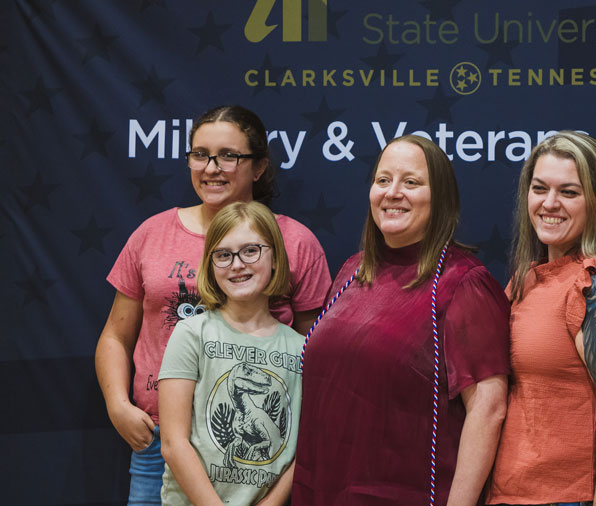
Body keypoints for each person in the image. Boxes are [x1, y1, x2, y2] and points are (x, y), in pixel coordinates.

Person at [95, 105, 331, 504]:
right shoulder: (151, 234)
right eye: (200, 154)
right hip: (159, 439)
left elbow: (314, 353)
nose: (211, 167)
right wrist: (118, 404)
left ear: (258, 167)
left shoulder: (295, 242)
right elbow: (116, 334)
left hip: (259, 461)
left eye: (228, 156)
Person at [291, 135, 511, 505]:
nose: (393, 192)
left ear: (440, 197)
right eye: (383, 180)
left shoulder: (463, 283)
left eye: (411, 182)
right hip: (321, 490)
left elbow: (488, 409)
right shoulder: (352, 270)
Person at [487, 131, 596, 506]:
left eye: (569, 192)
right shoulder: (524, 279)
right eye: (539, 188)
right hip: (507, 493)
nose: (550, 203)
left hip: (566, 498)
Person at [158, 201, 301, 505]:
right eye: (223, 255)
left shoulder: (301, 349)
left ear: (274, 256)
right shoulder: (191, 333)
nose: (237, 264)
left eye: (250, 251)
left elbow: (303, 449)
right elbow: (172, 443)